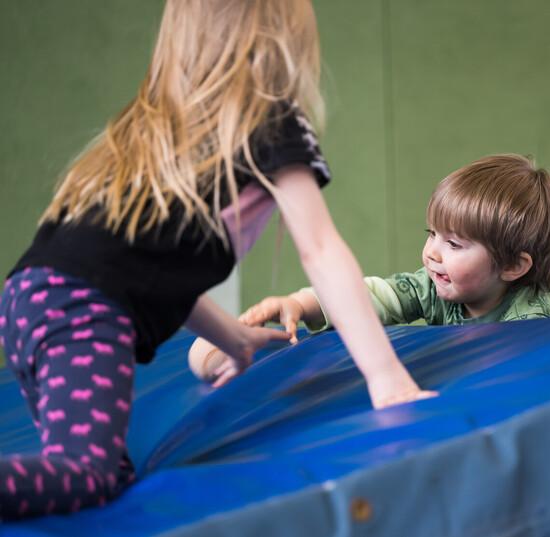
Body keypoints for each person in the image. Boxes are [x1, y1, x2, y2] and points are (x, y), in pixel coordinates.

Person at [0, 0, 431, 519]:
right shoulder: (272, 121)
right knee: (87, 476)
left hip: (25, 300)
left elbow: (146, 273)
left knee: (105, 478)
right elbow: (320, 250)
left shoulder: (152, 128)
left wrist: (234, 337)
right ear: (282, 39)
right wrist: (387, 378)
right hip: (81, 309)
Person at [190, 154, 550, 380]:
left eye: (453, 244)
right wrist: (299, 305)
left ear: (513, 267)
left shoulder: (530, 324)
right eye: (432, 234)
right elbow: (374, 297)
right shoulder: (436, 288)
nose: (433, 253)